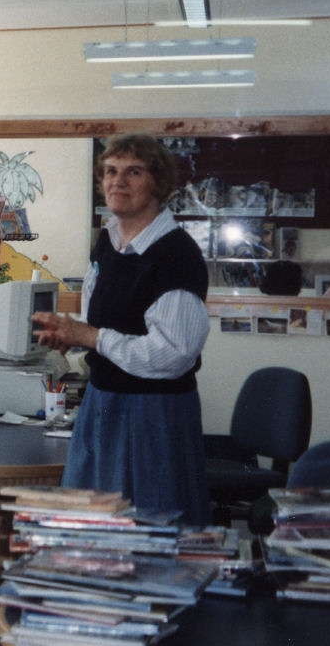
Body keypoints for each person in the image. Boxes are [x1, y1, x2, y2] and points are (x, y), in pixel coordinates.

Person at [30, 134, 211, 525]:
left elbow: (173, 356)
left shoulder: (176, 255)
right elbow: (102, 323)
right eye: (110, 171)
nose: (118, 182)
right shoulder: (108, 242)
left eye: (134, 172)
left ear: (158, 184)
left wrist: (89, 337)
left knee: (148, 532)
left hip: (154, 415)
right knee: (93, 530)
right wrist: (70, 334)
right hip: (104, 402)